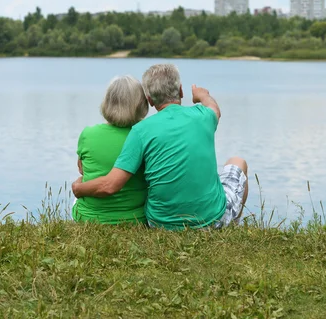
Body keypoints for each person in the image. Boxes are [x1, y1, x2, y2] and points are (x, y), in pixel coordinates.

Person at [72, 63, 249, 230]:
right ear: (180, 90)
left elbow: (111, 184)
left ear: (149, 100)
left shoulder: (141, 130)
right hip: (211, 218)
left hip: (160, 223)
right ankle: (232, 223)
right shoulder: (203, 115)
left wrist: (78, 188)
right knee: (238, 162)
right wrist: (201, 94)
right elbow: (214, 109)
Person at [72, 75, 149, 224]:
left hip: (88, 218)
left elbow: (82, 170)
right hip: (135, 219)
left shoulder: (88, 134)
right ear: (141, 103)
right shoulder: (145, 135)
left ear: (107, 102)